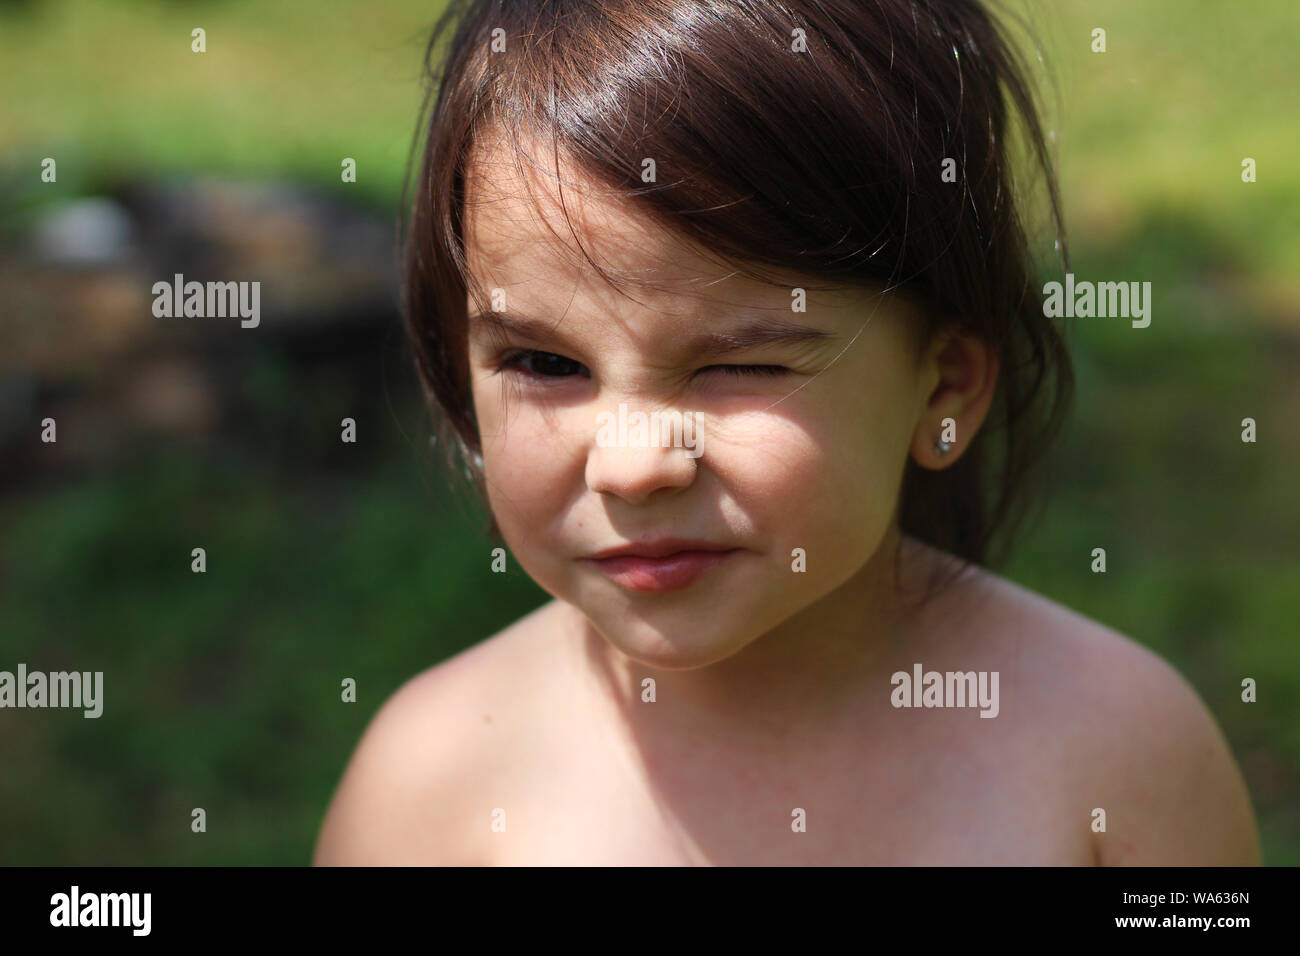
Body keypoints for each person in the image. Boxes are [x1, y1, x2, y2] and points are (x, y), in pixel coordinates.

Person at [314, 0, 1259, 865]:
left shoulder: (1121, 755)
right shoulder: (429, 786)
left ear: (946, 385)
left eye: (742, 366)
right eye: (546, 364)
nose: (636, 466)